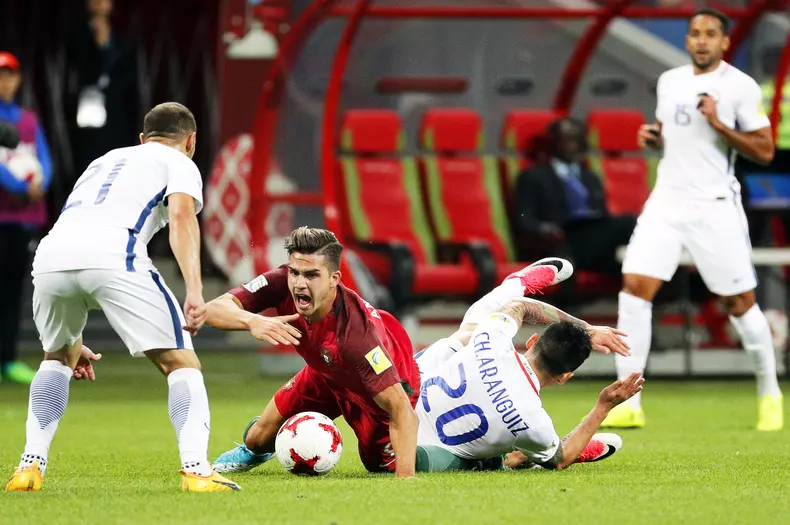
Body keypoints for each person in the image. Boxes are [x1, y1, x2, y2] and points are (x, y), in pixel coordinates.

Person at [5, 102, 241, 492]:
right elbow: (182, 219)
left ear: (142, 139)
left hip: (50, 256)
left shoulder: (104, 160)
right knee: (181, 362)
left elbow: (82, 230)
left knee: (57, 357)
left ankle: (29, 467)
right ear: (191, 141)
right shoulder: (179, 160)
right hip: (116, 253)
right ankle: (197, 471)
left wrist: (72, 340)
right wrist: (195, 290)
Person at [607, 8, 782, 431]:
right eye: (695, 34)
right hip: (666, 201)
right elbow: (671, 134)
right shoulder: (670, 81)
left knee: (739, 304)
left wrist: (718, 122)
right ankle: (627, 399)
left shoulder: (738, 87)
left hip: (714, 204)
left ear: (724, 43)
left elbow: (764, 150)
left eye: (711, 35)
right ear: (688, 41)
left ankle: (769, 391)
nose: (702, 41)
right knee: (634, 289)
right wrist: (655, 137)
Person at [205, 227, 421, 478]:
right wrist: (252, 321)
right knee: (258, 438)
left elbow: (400, 409)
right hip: (326, 371)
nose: (299, 283)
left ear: (334, 278)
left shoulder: (356, 336)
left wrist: (406, 481)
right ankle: (256, 448)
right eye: (295, 272)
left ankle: (453, 452)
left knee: (378, 464)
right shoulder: (279, 283)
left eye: (311, 275)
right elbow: (211, 310)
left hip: (380, 387)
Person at [413, 259, 641, 472]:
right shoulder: (533, 419)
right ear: (565, 377)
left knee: (469, 332)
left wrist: (585, 327)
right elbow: (561, 459)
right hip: (416, 444)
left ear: (532, 340)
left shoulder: (491, 341)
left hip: (404, 399)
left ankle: (517, 282)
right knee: (502, 453)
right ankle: (529, 455)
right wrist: (604, 406)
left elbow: (519, 306)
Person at [514, 117, 636, 276]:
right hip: (565, 239)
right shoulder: (533, 176)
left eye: (574, 139)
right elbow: (524, 219)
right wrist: (546, 229)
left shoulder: (590, 177)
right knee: (630, 223)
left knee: (639, 228)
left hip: (596, 238)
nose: (570, 145)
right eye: (564, 139)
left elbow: (603, 215)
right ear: (553, 142)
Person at [0, 51, 53, 385]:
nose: (5, 81)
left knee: (12, 292)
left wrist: (39, 184)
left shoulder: (28, 120)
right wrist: (18, 185)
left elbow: (44, 159)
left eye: (9, 74)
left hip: (22, 221)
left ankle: (8, 359)